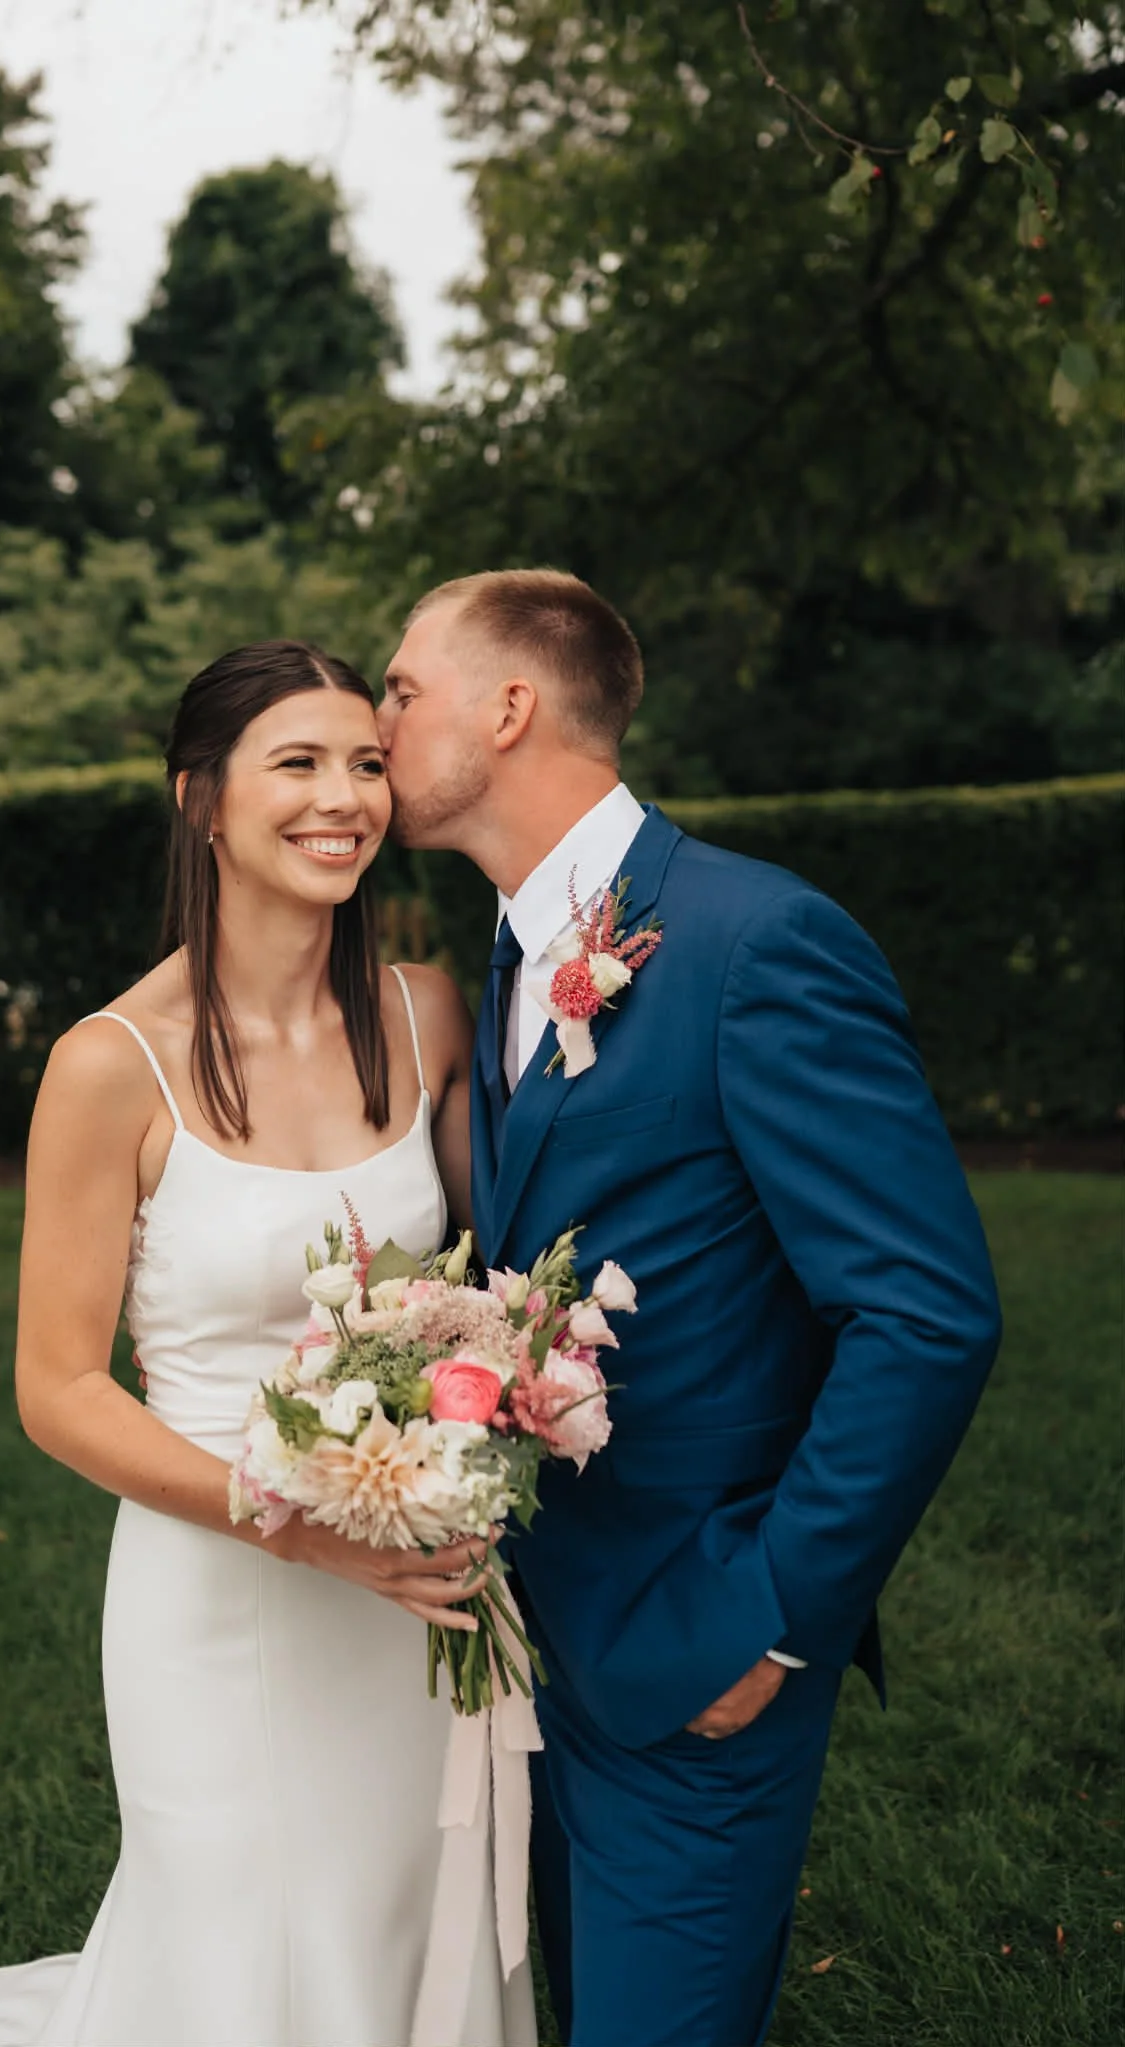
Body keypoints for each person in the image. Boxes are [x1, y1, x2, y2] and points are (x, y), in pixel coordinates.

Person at [0, 641, 536, 2047]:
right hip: (218, 1586)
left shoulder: (428, 1015)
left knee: (397, 1904)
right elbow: (57, 1390)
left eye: (366, 760)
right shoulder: (113, 1061)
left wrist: (489, 1414)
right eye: (296, 762)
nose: (344, 795)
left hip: (421, 1573)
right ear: (201, 800)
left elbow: (498, 1279)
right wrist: (295, 1525)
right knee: (234, 1935)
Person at [378, 570, 1003, 2047]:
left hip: (702, 1634)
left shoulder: (754, 941)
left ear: (510, 706)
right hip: (546, 1635)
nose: (375, 716)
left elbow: (926, 1310)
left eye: (403, 689)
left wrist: (777, 1617)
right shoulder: (514, 958)